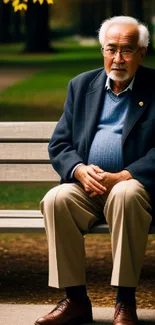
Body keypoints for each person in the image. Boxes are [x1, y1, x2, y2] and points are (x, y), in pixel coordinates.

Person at [35, 15, 155, 325]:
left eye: (127, 50)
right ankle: (75, 301)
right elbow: (60, 144)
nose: (118, 58)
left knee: (126, 195)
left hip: (135, 188)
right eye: (111, 49)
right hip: (89, 187)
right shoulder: (81, 85)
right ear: (102, 50)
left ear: (142, 52)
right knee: (56, 199)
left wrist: (124, 176)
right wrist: (78, 170)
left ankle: (124, 302)